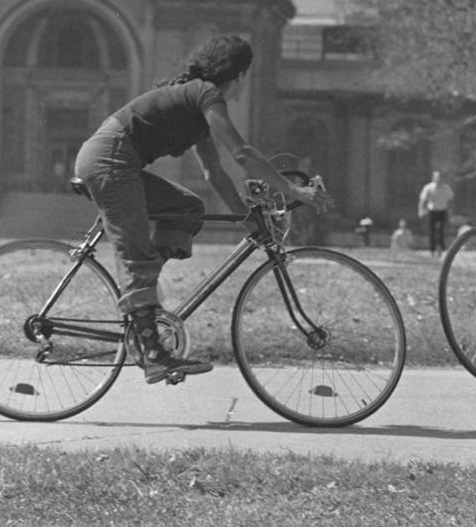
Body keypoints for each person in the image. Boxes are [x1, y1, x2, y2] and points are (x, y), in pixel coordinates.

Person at [74, 34, 330, 385]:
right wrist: (292, 188)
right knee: (138, 257)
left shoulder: (196, 104)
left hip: (114, 159)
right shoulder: (205, 94)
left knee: (187, 208)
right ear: (239, 75)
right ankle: (154, 354)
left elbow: (215, 173)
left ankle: (145, 306)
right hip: (110, 160)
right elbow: (241, 153)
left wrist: (246, 220)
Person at [417, 170, 455, 257]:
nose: (439, 179)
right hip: (432, 211)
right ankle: (432, 250)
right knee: (432, 231)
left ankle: (441, 248)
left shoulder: (446, 188)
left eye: (440, 177)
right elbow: (422, 199)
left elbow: (451, 199)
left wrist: (451, 211)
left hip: (442, 211)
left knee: (441, 231)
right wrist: (420, 210)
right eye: (437, 177)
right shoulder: (428, 188)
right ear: (433, 178)